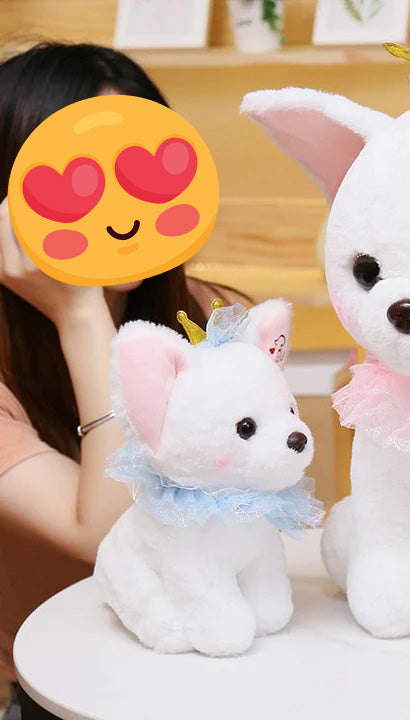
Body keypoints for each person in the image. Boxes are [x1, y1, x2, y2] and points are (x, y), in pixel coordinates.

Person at [0, 42, 244, 719]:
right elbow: (104, 532)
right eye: (80, 177)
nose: (116, 205)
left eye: (135, 169)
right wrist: (79, 313)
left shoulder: (211, 318)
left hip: (219, 662)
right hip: (64, 695)